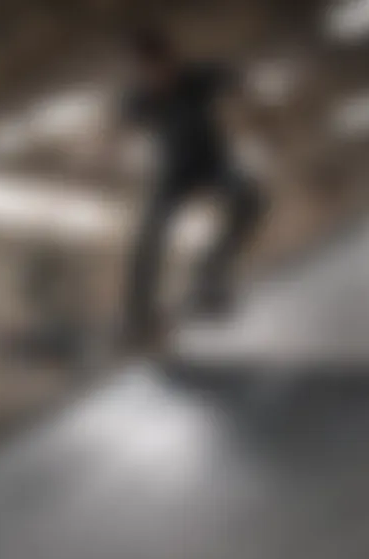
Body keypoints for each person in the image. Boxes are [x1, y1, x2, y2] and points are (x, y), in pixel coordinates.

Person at [119, 27, 263, 348]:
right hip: (174, 176)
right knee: (148, 235)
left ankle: (211, 270)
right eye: (151, 74)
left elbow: (234, 76)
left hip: (214, 165)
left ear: (172, 60)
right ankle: (140, 318)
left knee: (250, 199)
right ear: (143, 72)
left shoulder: (197, 77)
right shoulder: (140, 99)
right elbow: (119, 122)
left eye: (164, 69)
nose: (160, 79)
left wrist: (246, 91)